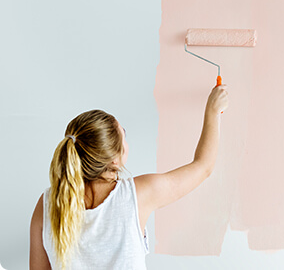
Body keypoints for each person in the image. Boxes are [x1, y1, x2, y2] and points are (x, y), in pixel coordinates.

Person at [29, 85, 229, 270]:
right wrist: (213, 112)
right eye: (124, 133)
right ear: (115, 161)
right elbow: (203, 167)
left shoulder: (47, 204)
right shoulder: (138, 195)